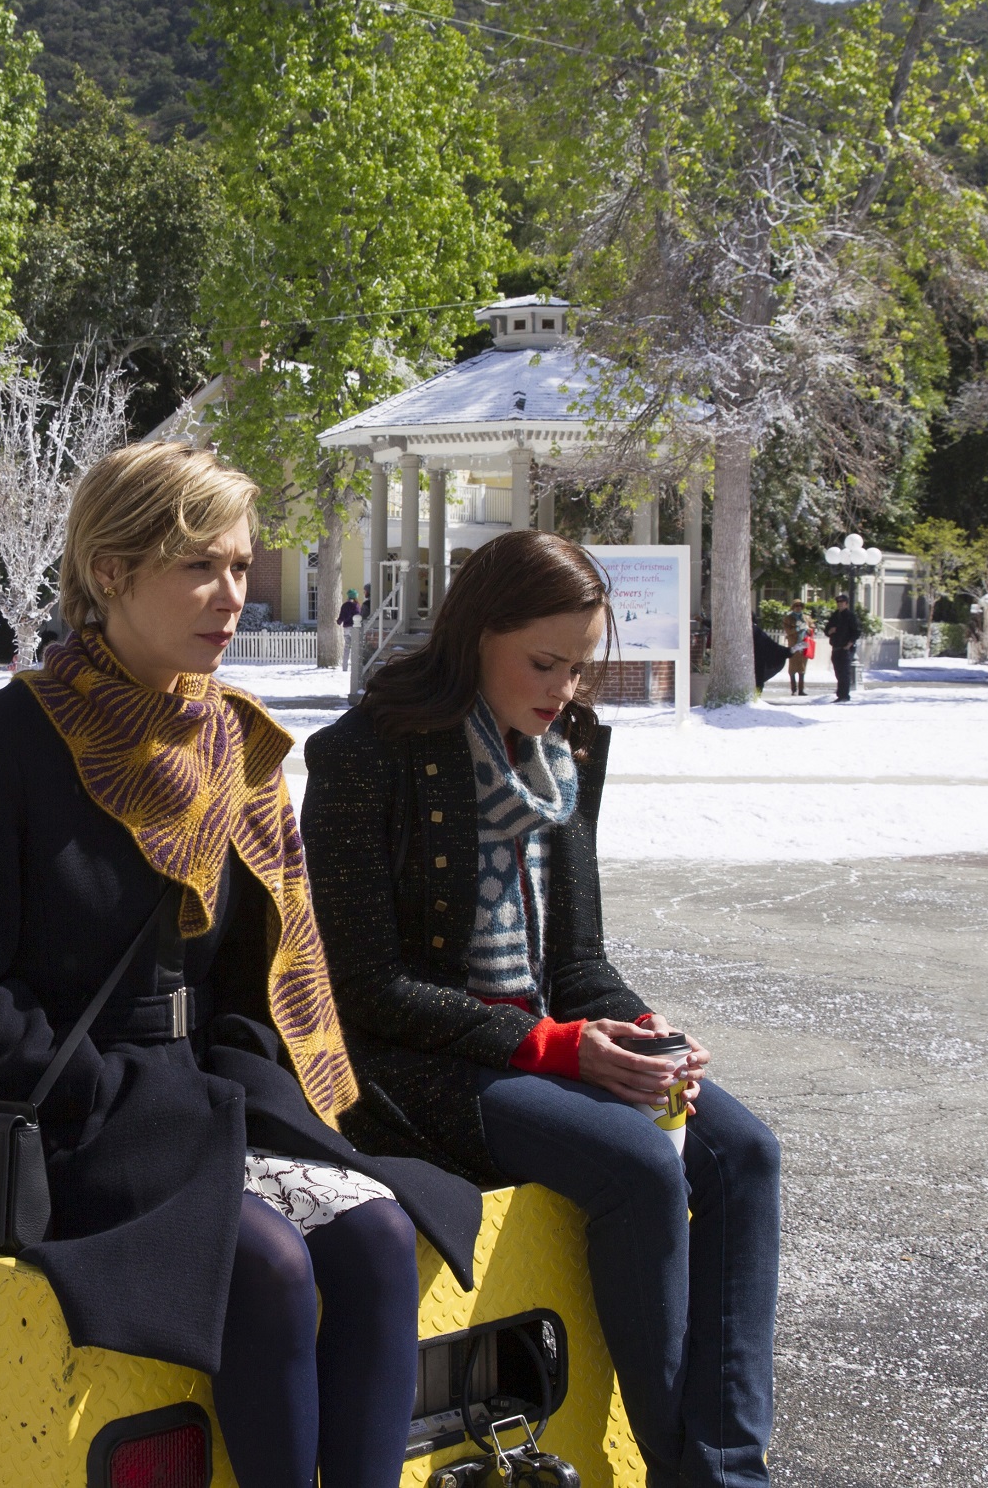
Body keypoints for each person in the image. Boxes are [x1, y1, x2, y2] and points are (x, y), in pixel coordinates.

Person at [0, 442, 481, 1488]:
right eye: (199, 566)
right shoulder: (3, 746)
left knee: (383, 1237)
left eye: (243, 566)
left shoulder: (233, 747)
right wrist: (89, 1090)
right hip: (64, 1112)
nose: (232, 596)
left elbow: (254, 970)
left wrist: (254, 1080)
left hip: (199, 1096)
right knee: (267, 1265)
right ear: (111, 570)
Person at [298, 529, 781, 1488]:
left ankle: (728, 1469)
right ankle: (693, 1476)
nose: (564, 688)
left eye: (581, 666)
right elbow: (366, 989)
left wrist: (646, 1035)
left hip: (540, 1046)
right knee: (641, 1165)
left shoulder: (566, 750)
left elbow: (579, 960)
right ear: (476, 634)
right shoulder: (362, 756)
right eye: (544, 662)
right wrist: (558, 1045)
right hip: (414, 1068)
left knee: (745, 1153)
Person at [826, 592, 861, 702]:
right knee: (838, 672)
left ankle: (844, 695)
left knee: (844, 672)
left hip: (846, 648)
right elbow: (827, 630)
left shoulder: (850, 616)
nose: (840, 604)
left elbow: (856, 632)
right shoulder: (835, 615)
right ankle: (840, 694)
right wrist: (830, 631)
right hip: (836, 647)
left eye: (842, 602)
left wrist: (849, 644)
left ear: (846, 603)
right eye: (838, 602)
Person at [781, 598, 814, 697]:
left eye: (800, 606)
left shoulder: (807, 618)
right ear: (793, 607)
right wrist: (797, 628)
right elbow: (788, 631)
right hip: (794, 645)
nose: (798, 608)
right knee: (792, 668)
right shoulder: (788, 618)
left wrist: (808, 629)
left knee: (802, 667)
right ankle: (793, 689)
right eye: (796, 606)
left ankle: (801, 690)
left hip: (804, 645)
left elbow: (812, 628)